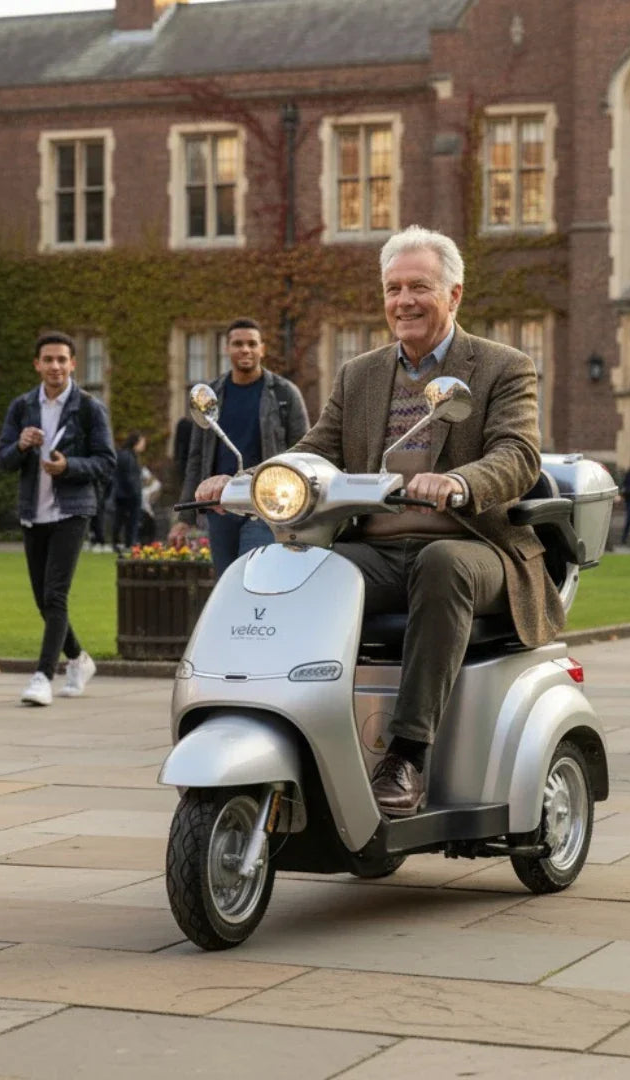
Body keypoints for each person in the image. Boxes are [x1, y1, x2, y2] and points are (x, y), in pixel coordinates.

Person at [192, 226, 562, 816]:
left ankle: (408, 753)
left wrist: (461, 483)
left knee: (441, 566)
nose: (404, 301)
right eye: (393, 288)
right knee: (300, 568)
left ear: (454, 294)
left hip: (473, 545)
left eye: (420, 286)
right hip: (381, 550)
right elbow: (315, 449)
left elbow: (517, 455)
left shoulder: (502, 366)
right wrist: (245, 482)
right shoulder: (359, 373)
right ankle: (300, 732)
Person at [0, 331, 116, 706]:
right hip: (35, 512)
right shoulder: (22, 407)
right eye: (48, 360)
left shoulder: (88, 407)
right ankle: (78, 659)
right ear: (37, 364)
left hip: (73, 509)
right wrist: (21, 445)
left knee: (55, 593)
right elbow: (2, 459)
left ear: (73, 364)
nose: (55, 366)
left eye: (62, 359)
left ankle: (42, 676)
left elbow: (106, 462)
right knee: (42, 600)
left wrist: (68, 466)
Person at [169, 318, 309, 576]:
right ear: (227, 348)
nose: (245, 349)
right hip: (219, 507)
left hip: (264, 507)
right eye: (238, 344)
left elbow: (304, 453)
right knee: (225, 582)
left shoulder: (284, 394)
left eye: (252, 344)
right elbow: (197, 460)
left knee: (251, 576)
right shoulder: (210, 395)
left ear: (262, 349)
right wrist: (185, 518)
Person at [113, 431, 145, 551]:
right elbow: (128, 477)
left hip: (126, 494)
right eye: (142, 442)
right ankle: (127, 543)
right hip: (128, 495)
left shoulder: (129, 455)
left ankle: (128, 542)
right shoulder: (127, 456)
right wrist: (136, 492)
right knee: (126, 520)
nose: (143, 445)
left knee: (124, 520)